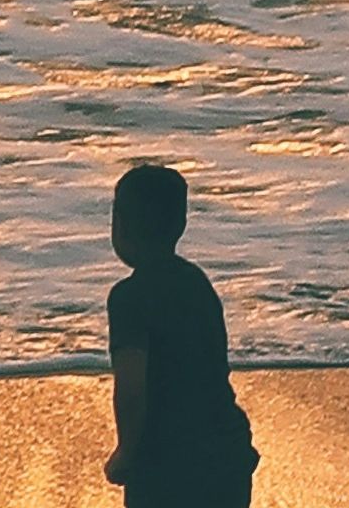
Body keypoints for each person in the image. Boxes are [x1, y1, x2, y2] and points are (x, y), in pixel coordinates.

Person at [103, 163, 259, 508]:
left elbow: (131, 388)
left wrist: (126, 452)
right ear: (181, 224)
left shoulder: (128, 297)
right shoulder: (196, 282)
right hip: (226, 453)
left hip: (169, 464)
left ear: (121, 227)